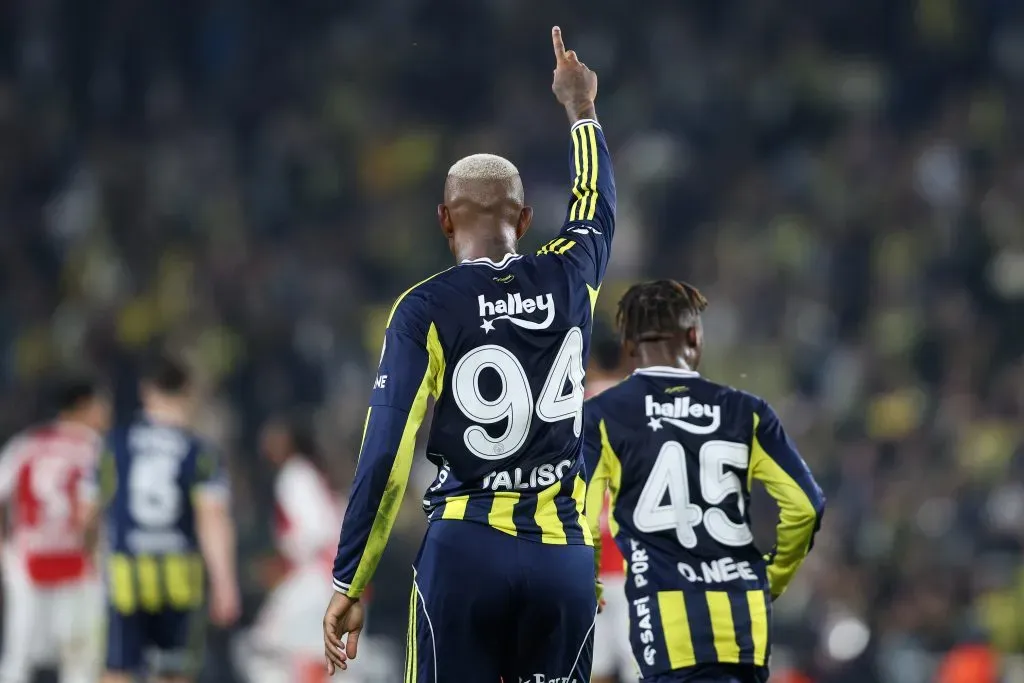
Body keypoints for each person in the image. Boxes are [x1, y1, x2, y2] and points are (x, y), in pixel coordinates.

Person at [324, 25, 615, 682]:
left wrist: (351, 577)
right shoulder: (572, 275)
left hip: (466, 551)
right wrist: (581, 108)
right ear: (528, 217)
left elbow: (388, 457)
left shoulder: (423, 310)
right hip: (561, 557)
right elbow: (598, 207)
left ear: (444, 220)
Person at [583, 280, 825, 683]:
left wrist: (585, 589)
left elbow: (582, 517)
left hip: (653, 604)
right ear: (694, 337)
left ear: (630, 345)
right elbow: (806, 505)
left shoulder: (600, 414)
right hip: (742, 620)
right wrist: (771, 579)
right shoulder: (747, 410)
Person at [82, 354, 241, 683]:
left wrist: (89, 553)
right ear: (188, 394)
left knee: (117, 670)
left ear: (147, 392)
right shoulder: (199, 451)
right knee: (174, 673)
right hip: (179, 576)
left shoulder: (115, 444)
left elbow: (87, 509)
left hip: (127, 574)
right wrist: (225, 582)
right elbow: (212, 517)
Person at [0, 375, 111, 683]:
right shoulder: (95, 448)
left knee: (18, 658)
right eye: (102, 405)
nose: (106, 412)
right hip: (79, 565)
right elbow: (94, 511)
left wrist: (4, 551)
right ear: (83, 406)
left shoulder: (25, 444)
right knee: (80, 662)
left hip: (28, 562)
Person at [243, 413, 346, 683]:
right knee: (309, 648)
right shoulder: (311, 472)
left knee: (264, 644)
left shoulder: (294, 474)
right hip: (330, 577)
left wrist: (282, 561)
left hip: (317, 575)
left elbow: (317, 531)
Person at [585, 327, 639, 683]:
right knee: (642, 665)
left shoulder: (573, 406)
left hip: (587, 557)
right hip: (635, 555)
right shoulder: (640, 404)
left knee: (595, 668)